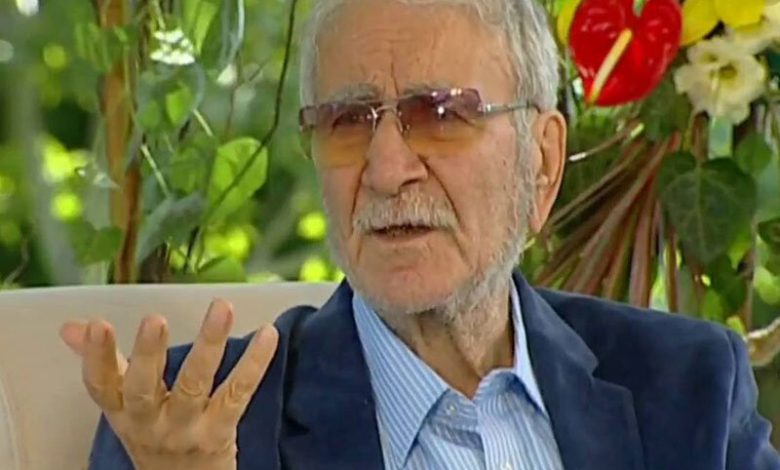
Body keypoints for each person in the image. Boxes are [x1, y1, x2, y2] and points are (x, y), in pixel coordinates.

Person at [58, 0, 780, 468]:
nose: (385, 170)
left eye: (440, 114)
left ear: (542, 163)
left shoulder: (689, 388)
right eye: (347, 121)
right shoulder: (187, 425)